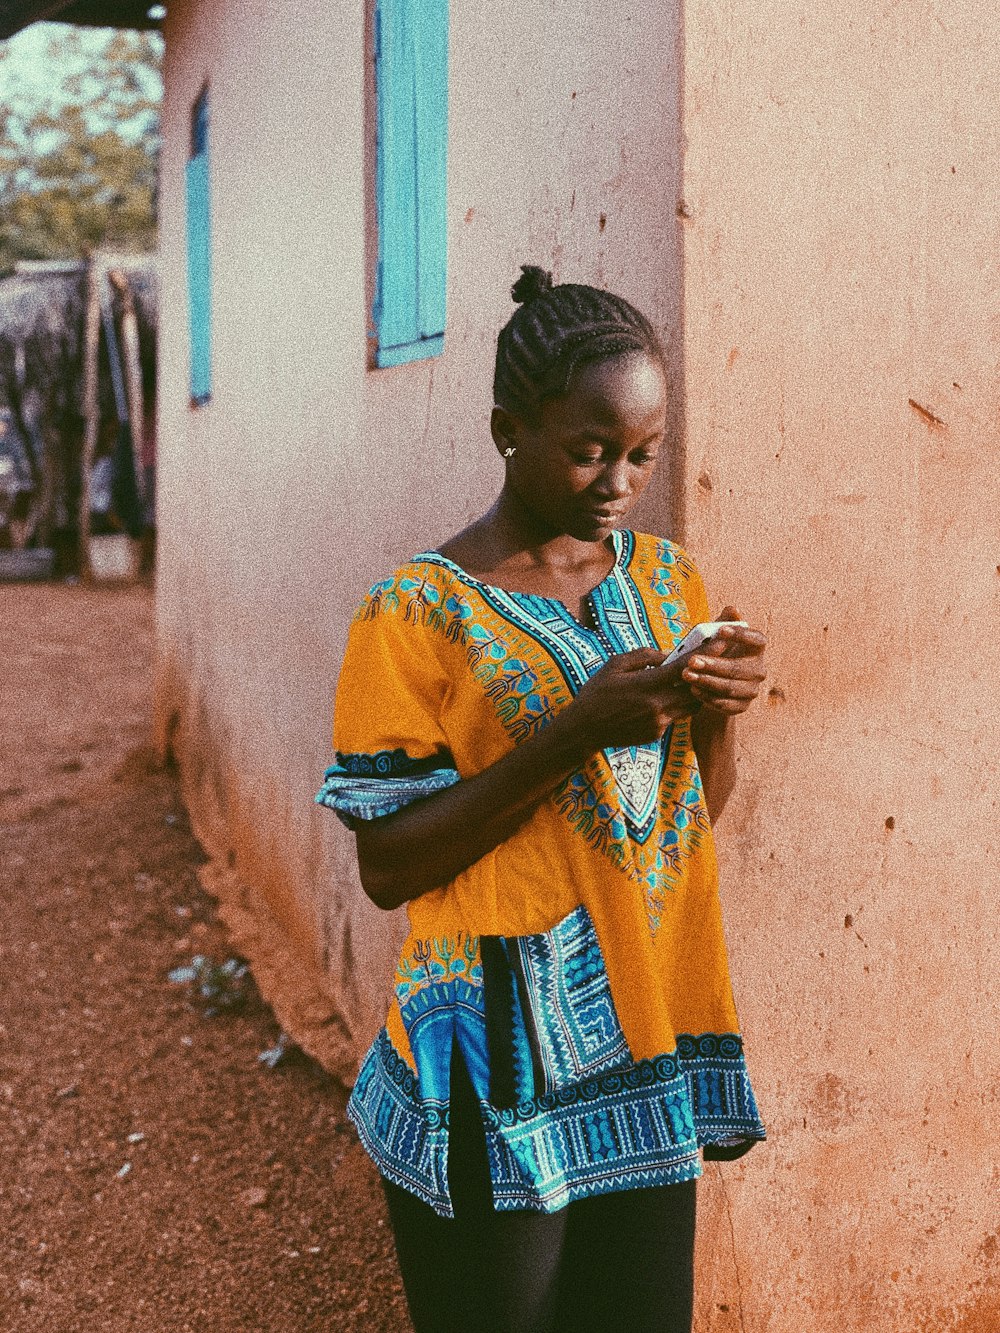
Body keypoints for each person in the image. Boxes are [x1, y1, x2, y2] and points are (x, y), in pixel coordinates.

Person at [317, 265, 768, 1333]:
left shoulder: (664, 584)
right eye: (589, 447)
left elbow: (681, 821)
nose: (619, 478)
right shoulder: (415, 611)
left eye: (643, 454)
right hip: (490, 1058)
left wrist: (721, 708)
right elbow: (389, 867)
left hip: (641, 1036)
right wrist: (568, 734)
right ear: (506, 428)